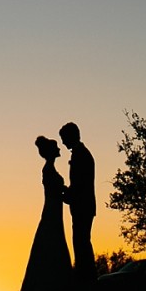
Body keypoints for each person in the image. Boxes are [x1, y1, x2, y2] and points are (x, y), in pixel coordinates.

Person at [18, 135, 72, 291]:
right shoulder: (48, 170)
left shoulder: (49, 169)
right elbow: (56, 191)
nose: (59, 149)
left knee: (51, 243)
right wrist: (70, 193)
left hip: (54, 209)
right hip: (51, 210)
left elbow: (58, 190)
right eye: (56, 148)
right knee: (51, 243)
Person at [59, 121, 96, 282]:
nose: (63, 142)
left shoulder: (81, 155)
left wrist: (64, 193)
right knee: (82, 242)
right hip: (82, 205)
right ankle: (86, 277)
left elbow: (80, 185)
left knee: (81, 244)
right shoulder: (80, 153)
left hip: (83, 206)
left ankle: (86, 278)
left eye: (64, 138)